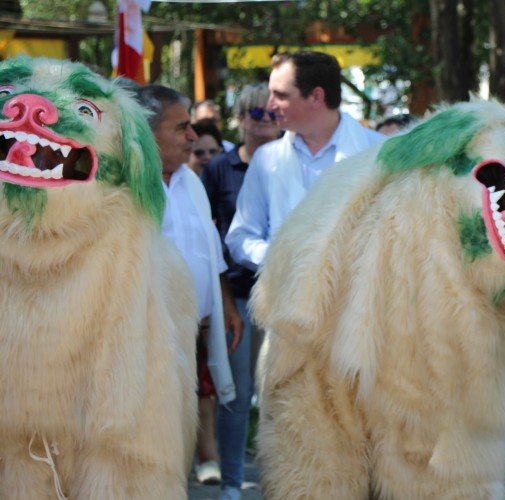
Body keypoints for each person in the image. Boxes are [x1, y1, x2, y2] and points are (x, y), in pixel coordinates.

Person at [134, 84, 244, 488]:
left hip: (190, 333)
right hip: (142, 337)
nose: (193, 137)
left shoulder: (191, 181)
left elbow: (210, 253)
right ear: (147, 131)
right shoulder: (126, 186)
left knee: (178, 434)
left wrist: (226, 304)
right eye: (181, 127)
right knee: (147, 438)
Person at [225, 51, 384, 272]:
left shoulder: (380, 152)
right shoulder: (266, 158)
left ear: (316, 97)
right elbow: (241, 236)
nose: (270, 106)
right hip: (284, 297)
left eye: (280, 95)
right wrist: (281, 259)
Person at [201, 82, 281, 500]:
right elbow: (210, 232)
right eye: (255, 114)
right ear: (240, 119)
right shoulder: (220, 168)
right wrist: (223, 300)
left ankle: (277, 479)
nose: (265, 121)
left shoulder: (289, 161)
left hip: (286, 292)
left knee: (279, 391)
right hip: (238, 294)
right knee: (237, 393)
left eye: (270, 113)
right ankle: (233, 482)